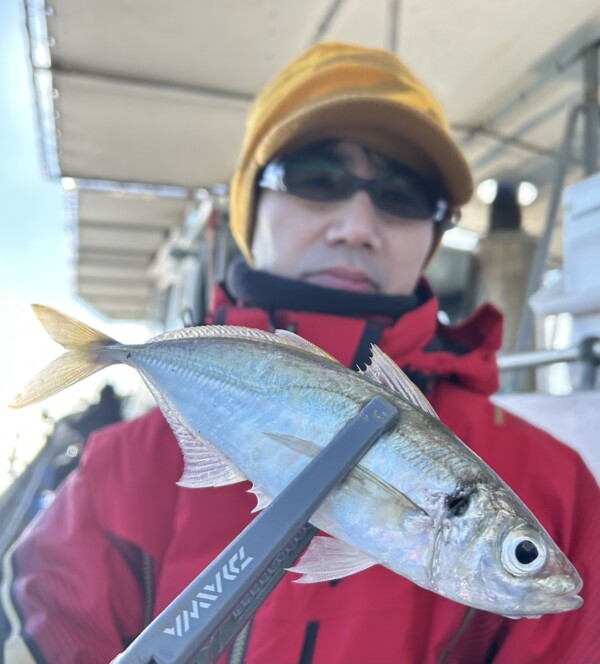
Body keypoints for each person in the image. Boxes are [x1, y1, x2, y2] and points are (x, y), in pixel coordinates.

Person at [2, 42, 599, 664]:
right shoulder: (114, 475)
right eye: (316, 178)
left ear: (435, 232)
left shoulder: (559, 492)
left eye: (405, 194)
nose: (356, 226)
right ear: (245, 208)